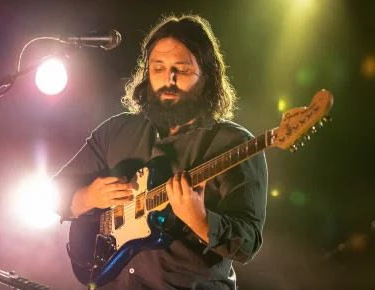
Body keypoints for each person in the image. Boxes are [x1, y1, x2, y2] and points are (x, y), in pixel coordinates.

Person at [53, 14, 268, 290]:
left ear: (207, 75)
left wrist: (200, 220)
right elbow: (54, 193)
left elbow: (247, 243)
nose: (169, 79)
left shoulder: (235, 144)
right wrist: (87, 196)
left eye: (182, 69)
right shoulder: (116, 131)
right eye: (158, 68)